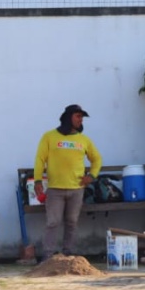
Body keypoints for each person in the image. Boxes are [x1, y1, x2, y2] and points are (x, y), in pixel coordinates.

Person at [33, 104, 102, 259]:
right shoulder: (49, 137)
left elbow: (97, 159)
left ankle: (68, 254)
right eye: (78, 116)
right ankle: (48, 256)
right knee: (53, 222)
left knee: (72, 222)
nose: (81, 119)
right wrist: (38, 180)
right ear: (68, 117)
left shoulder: (84, 140)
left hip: (77, 189)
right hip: (55, 189)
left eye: (82, 117)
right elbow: (40, 159)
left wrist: (91, 176)